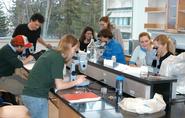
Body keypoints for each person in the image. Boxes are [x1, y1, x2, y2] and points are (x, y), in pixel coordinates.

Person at [21, 34, 87, 118]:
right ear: (69, 47)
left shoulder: (52, 53)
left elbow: (55, 79)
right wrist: (77, 82)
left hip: (29, 94)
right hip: (36, 97)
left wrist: (71, 80)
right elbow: (60, 86)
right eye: (74, 50)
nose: (74, 53)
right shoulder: (58, 58)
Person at [0, 35, 33, 104]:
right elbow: (19, 64)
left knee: (28, 84)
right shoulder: (7, 51)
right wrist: (29, 59)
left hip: (8, 75)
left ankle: (14, 102)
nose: (25, 49)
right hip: (3, 78)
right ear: (18, 46)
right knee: (25, 89)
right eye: (24, 47)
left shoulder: (10, 48)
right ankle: (16, 105)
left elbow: (15, 61)